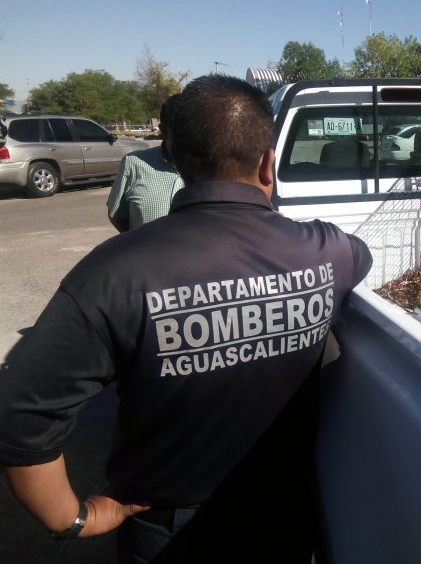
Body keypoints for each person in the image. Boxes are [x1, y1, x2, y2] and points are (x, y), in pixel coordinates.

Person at [0, 74, 373, 562]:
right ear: (267, 162)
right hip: (284, 512)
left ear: (173, 158)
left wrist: (70, 518)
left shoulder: (114, 272)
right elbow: (360, 258)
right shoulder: (328, 251)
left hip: (165, 529)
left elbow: (20, 412)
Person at [107, 94, 183, 232]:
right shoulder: (134, 164)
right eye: (185, 133)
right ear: (164, 131)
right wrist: (140, 243)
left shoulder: (212, 166)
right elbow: (117, 216)